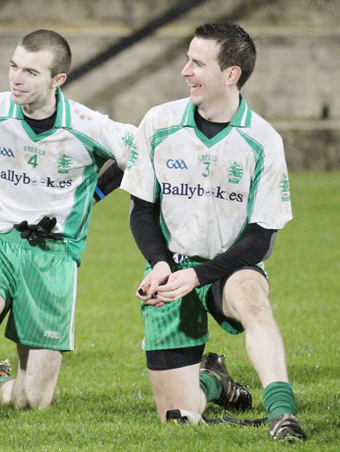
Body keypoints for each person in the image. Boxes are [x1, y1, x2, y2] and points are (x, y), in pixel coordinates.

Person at [0, 29, 136, 425]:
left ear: (58, 80)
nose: (16, 78)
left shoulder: (87, 126)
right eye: (14, 67)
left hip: (54, 256)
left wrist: (97, 194)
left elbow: (138, 153)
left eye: (31, 72)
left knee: (32, 401)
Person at [120, 23, 306, 442]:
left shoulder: (263, 141)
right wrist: (160, 263)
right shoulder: (159, 122)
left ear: (230, 74)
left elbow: (261, 238)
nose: (185, 71)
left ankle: (283, 414)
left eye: (197, 63)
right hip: (173, 272)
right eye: (187, 59)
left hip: (231, 266)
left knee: (255, 304)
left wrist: (201, 276)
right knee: (179, 418)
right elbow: (141, 211)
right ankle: (215, 382)